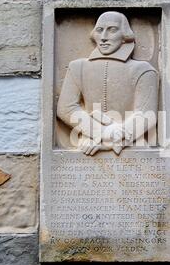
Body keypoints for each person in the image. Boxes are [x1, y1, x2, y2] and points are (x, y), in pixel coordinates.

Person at [57, 11, 159, 156]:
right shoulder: (77, 67)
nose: (103, 37)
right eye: (99, 30)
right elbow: (66, 108)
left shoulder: (143, 70)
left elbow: (146, 115)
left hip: (133, 146)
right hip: (87, 143)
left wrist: (110, 140)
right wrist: (100, 133)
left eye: (112, 30)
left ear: (125, 36)